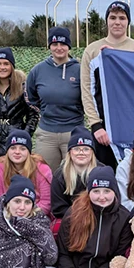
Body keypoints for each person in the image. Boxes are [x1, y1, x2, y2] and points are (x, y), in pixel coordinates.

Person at [29, 166, 134, 268]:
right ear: (88, 192)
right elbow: (63, 254)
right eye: (96, 191)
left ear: (115, 192)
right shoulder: (74, 213)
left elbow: (117, 259)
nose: (102, 196)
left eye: (107, 191)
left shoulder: (123, 217)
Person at [80, 1, 134, 167]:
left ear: (128, 22)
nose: (117, 22)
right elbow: (87, 90)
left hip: (133, 125)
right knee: (105, 176)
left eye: (122, 18)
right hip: (104, 128)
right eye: (113, 17)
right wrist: (96, 125)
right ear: (107, 21)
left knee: (133, 176)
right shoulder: (92, 50)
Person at [27, 28, 84, 172]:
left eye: (63, 44)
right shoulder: (38, 70)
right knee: (43, 174)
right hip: (47, 133)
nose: (59, 48)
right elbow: (32, 97)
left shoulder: (80, 70)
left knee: (75, 176)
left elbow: (88, 98)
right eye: (54, 44)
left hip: (73, 132)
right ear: (49, 46)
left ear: (69, 46)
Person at [0, 47, 39, 165]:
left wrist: (25, 134)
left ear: (12, 66)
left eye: (6, 63)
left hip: (17, 141)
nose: (2, 67)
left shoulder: (22, 88)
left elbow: (33, 114)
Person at [0, 129, 52, 216]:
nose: (17, 152)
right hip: (6, 216)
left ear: (29, 152)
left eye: (22, 149)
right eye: (13, 148)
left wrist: (29, 215)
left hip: (36, 216)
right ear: (7, 151)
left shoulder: (42, 169)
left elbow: (46, 202)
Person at [50, 126, 98, 232]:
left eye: (86, 149)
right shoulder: (60, 175)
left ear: (92, 152)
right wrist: (81, 216)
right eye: (76, 149)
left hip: (99, 217)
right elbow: (58, 208)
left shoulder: (102, 172)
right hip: (71, 219)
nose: (81, 152)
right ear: (70, 152)